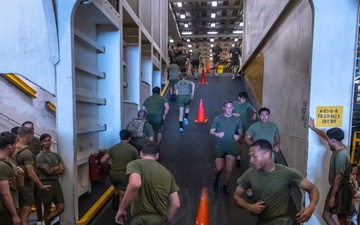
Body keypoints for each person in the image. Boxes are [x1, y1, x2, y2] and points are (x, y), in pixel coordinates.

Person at [233, 139, 319, 224]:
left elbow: (312, 188)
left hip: (281, 221)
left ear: (267, 154)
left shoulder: (287, 173)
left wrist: (311, 206)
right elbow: (236, 196)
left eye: (254, 156)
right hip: (262, 222)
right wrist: (250, 207)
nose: (251, 160)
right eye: (250, 156)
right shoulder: (249, 174)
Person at [115, 142, 180, 225]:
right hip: (160, 220)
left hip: (140, 220)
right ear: (157, 155)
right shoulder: (167, 173)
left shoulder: (135, 164)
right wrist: (165, 222)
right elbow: (176, 203)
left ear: (141, 153)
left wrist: (121, 209)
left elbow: (135, 184)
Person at [309, 117, 356, 225]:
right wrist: (314, 128)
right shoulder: (339, 146)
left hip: (342, 190)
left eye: (329, 139)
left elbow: (338, 178)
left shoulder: (341, 156)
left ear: (332, 140)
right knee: (326, 215)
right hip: (338, 189)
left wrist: (332, 196)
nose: (327, 139)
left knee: (342, 218)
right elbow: (325, 136)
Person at [12, 126, 50, 225]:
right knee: (25, 216)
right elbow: (31, 174)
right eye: (32, 135)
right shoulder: (26, 153)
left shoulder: (11, 149)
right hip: (25, 187)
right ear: (29, 136)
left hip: (13, 187)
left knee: (17, 215)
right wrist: (41, 186)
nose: (33, 138)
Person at [100, 129, 139, 211]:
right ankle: (120, 213)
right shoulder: (133, 149)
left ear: (120, 138)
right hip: (124, 175)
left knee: (116, 188)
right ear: (129, 138)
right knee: (123, 193)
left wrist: (109, 164)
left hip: (112, 174)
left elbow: (102, 161)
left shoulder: (113, 148)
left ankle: (116, 198)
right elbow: (137, 164)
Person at [210, 100, 242, 196]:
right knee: (219, 169)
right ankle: (216, 178)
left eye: (230, 107)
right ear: (224, 108)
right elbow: (211, 131)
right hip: (219, 147)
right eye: (227, 107)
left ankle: (225, 186)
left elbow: (241, 132)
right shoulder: (218, 119)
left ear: (233, 108)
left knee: (229, 169)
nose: (229, 109)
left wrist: (238, 136)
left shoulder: (237, 120)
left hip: (231, 148)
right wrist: (217, 134)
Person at [36, 133, 65, 225]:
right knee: (47, 208)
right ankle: (47, 223)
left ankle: (46, 221)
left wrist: (52, 169)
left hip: (55, 182)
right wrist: (56, 168)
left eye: (49, 140)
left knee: (61, 207)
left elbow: (63, 170)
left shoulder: (56, 156)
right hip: (45, 182)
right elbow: (47, 172)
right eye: (45, 141)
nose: (47, 142)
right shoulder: (40, 157)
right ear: (41, 143)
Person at [21, 121, 43, 222]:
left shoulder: (37, 141)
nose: (30, 131)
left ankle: (40, 219)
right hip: (24, 177)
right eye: (27, 129)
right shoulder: (18, 143)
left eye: (31, 129)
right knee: (26, 203)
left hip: (35, 173)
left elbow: (40, 154)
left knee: (38, 198)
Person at [0, 132, 21, 225]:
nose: (16, 147)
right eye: (15, 144)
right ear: (9, 146)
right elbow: (5, 194)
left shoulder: (8, 162)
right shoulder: (2, 165)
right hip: (5, 209)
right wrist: (14, 215)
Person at [232, 91, 257, 167]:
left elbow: (254, 109)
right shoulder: (233, 104)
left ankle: (238, 158)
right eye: (243, 99)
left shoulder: (247, 105)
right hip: (232, 126)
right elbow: (226, 112)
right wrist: (233, 114)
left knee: (240, 142)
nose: (244, 101)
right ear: (239, 98)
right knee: (230, 141)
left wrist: (255, 113)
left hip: (241, 127)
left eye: (245, 99)